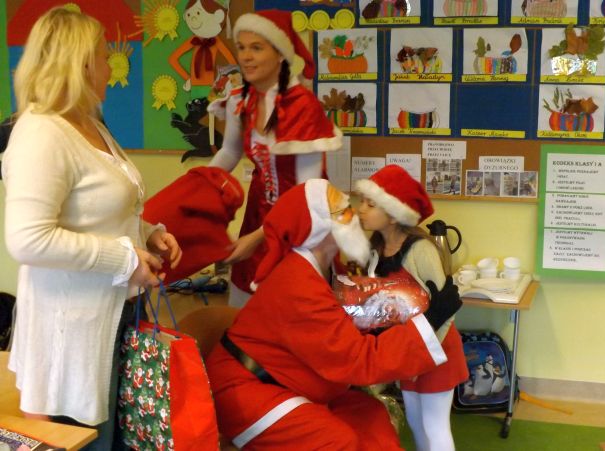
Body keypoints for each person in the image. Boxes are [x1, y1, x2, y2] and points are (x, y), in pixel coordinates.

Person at [2, 7, 182, 449]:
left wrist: (146, 233)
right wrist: (124, 258)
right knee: (88, 439)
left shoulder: (88, 123)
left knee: (118, 437)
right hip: (70, 338)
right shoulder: (41, 132)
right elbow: (28, 238)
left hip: (111, 317)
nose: (111, 66)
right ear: (81, 64)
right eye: (104, 56)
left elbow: (99, 211)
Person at [204, 179, 463, 449]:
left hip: (295, 379)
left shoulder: (330, 269)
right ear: (319, 228)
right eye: (343, 211)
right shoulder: (297, 283)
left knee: (371, 420)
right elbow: (358, 360)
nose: (354, 215)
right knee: (338, 442)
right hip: (250, 390)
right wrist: (429, 321)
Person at [207, 9, 342, 307]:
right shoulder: (241, 99)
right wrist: (199, 186)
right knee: (245, 309)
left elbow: (305, 195)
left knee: (290, 306)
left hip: (302, 224)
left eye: (256, 48)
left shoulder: (302, 106)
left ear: (280, 53)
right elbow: (230, 152)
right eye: (241, 47)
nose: (246, 57)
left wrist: (258, 238)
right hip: (258, 213)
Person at [354, 164, 467, 451]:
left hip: (436, 350)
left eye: (370, 204)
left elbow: (446, 307)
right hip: (408, 350)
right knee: (416, 422)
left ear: (393, 215)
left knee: (435, 424)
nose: (361, 210)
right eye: (362, 202)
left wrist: (422, 356)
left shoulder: (421, 250)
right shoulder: (375, 251)